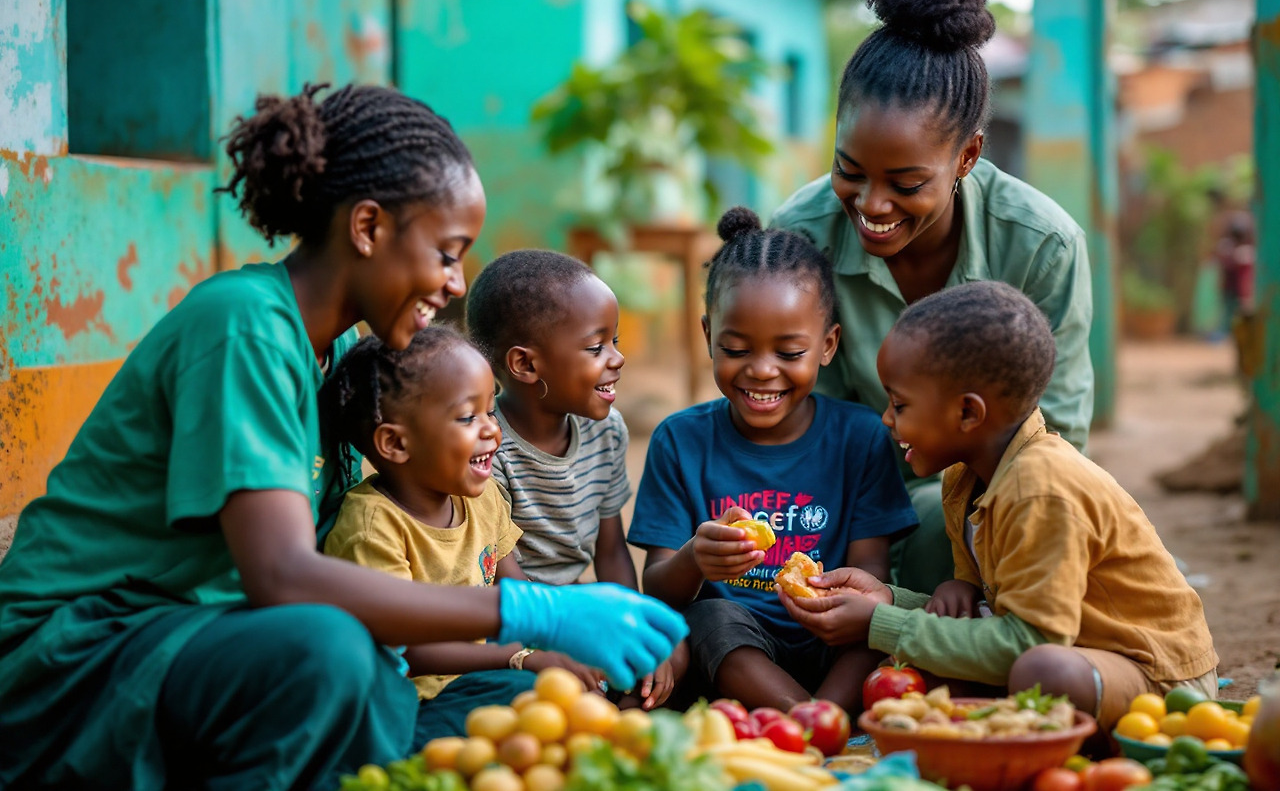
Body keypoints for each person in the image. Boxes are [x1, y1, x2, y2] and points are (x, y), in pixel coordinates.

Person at [0, 84, 686, 790]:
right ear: (367, 227)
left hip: (201, 645)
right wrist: (538, 609)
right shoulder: (243, 327)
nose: (455, 284)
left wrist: (521, 651)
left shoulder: (342, 358)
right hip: (76, 658)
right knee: (332, 647)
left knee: (499, 704)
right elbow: (285, 576)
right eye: (447, 254)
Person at [770, 0, 1093, 595]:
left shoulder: (1041, 245)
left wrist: (972, 540)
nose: (872, 205)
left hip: (994, 505)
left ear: (968, 155)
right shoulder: (800, 239)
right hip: (839, 508)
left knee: (936, 527)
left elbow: (1055, 437)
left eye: (907, 182)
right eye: (850, 171)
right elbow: (799, 421)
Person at [779, 281, 1218, 732]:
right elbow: (987, 618)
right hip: (1075, 649)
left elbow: (1030, 642)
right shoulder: (965, 477)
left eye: (899, 404)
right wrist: (888, 598)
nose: (887, 419)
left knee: (1041, 673)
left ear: (968, 414)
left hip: (1158, 675)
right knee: (925, 671)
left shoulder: (1041, 488)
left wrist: (882, 623)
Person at [627, 207, 919, 715]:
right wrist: (696, 558)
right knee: (707, 617)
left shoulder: (861, 436)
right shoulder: (680, 440)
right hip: (737, 651)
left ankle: (823, 716)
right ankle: (812, 723)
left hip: (831, 639)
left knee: (871, 620)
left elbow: (869, 570)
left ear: (827, 345)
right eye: (736, 348)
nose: (762, 371)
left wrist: (836, 606)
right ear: (707, 335)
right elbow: (658, 587)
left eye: (788, 353)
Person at [322, 327, 611, 748]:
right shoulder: (371, 528)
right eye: (467, 417)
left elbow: (516, 592)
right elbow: (411, 653)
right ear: (396, 443)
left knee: (570, 692)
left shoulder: (481, 497)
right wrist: (523, 659)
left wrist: (571, 640)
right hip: (413, 704)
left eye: (490, 412)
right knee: (529, 700)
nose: (492, 430)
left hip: (482, 678)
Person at [466, 249, 682, 710]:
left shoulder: (606, 430)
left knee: (673, 652)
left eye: (615, 341)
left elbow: (610, 549)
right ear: (526, 365)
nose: (618, 359)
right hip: (510, 625)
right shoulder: (487, 447)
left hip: (582, 607)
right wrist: (552, 648)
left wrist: (632, 628)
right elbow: (501, 578)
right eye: (596, 347)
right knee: (540, 696)